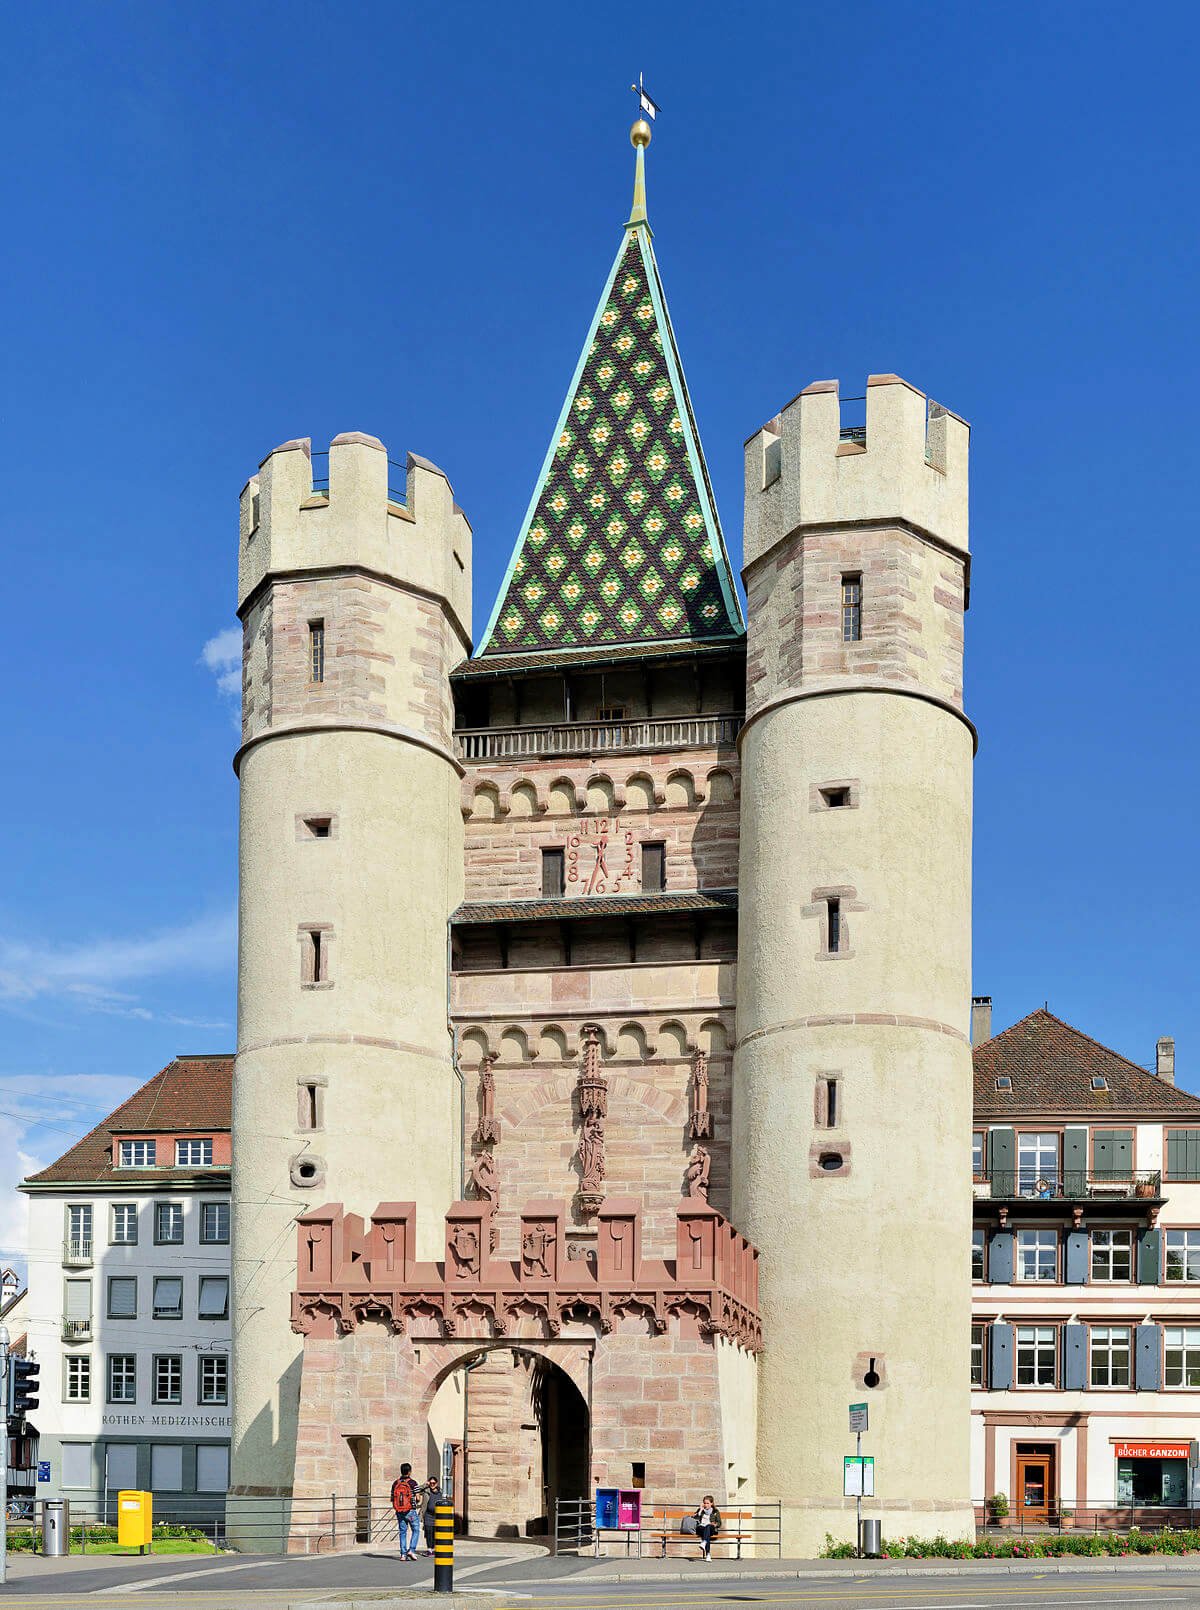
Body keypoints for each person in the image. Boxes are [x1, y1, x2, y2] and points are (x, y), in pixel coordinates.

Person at [391, 1462, 420, 1560]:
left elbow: (392, 1498)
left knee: (402, 1532)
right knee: (416, 1530)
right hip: (410, 1510)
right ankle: (411, 1550)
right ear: (409, 1472)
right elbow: (418, 1498)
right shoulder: (413, 1483)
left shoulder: (396, 1483)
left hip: (399, 1511)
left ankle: (403, 1554)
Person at [692, 1493, 721, 1560]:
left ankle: (704, 1542)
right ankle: (708, 1554)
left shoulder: (715, 1511)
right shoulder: (701, 1510)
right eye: (704, 1503)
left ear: (711, 1503)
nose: (706, 1505)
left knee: (708, 1527)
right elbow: (694, 1518)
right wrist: (700, 1510)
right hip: (701, 1528)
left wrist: (715, 1524)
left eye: (707, 1503)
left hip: (710, 1528)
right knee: (705, 1531)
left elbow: (719, 1523)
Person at [420, 1474, 444, 1556]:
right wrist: (425, 1484)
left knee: (435, 1533)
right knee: (428, 1533)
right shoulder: (426, 1491)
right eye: (430, 1483)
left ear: (436, 1483)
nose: (432, 1485)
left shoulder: (440, 1492)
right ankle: (429, 1550)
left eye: (433, 1483)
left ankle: (433, 1550)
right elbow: (416, 1490)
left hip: (437, 1516)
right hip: (428, 1515)